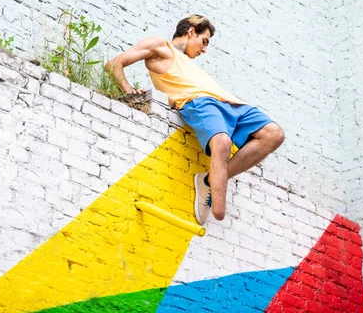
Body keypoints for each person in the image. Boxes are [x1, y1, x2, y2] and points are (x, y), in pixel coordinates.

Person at [105, 15, 284, 225]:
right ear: (191, 32)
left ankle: (211, 180)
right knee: (222, 142)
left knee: (274, 134)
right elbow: (114, 64)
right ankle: (216, 207)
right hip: (199, 103)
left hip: (230, 104)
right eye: (204, 41)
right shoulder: (161, 47)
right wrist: (130, 92)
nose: (204, 49)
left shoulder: (189, 65)